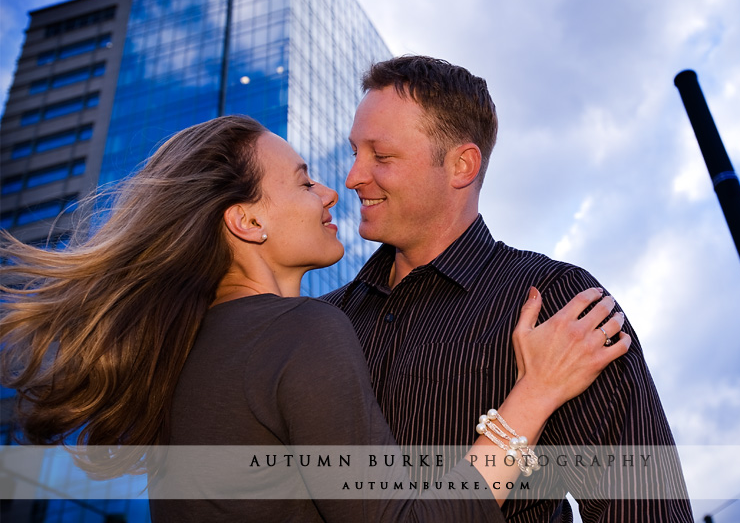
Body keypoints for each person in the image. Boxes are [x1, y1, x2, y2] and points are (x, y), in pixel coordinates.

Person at [0, 115, 631, 522]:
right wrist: (535, 395)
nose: (333, 189)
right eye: (303, 182)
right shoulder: (301, 331)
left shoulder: (186, 353)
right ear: (247, 221)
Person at [322, 56, 694, 522]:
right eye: (355, 152)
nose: (353, 176)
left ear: (461, 165)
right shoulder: (322, 323)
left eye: (381, 155)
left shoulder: (558, 301)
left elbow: (644, 509)